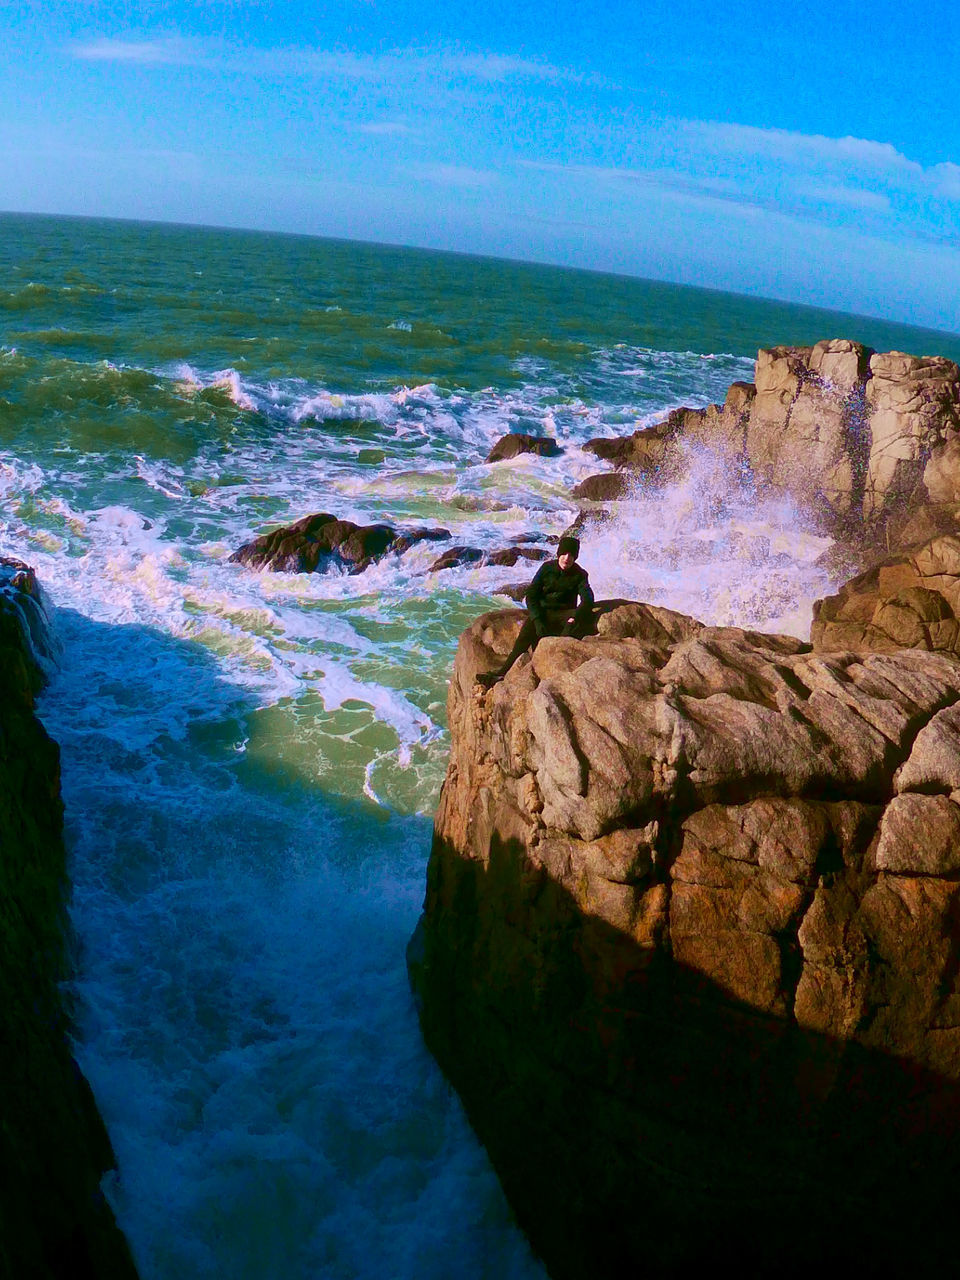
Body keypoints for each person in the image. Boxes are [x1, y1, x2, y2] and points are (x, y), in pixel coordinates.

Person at [477, 535, 594, 688]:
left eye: (571, 555)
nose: (567, 558)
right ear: (559, 554)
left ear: (575, 557)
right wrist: (537, 619)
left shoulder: (580, 574)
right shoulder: (547, 568)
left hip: (564, 614)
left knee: (562, 641)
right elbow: (531, 595)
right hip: (543, 613)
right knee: (523, 639)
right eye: (564, 554)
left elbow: (588, 599)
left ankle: (549, 678)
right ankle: (501, 673)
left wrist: (574, 618)